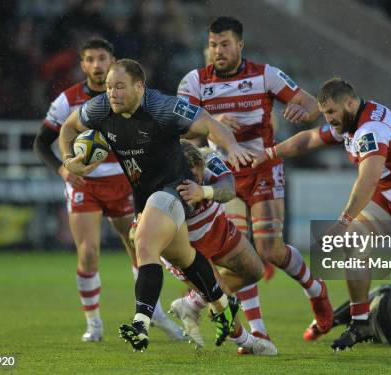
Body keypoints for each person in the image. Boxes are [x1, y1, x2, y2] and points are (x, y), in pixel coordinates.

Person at [58, 58, 253, 352]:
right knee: (186, 258)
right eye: (109, 86)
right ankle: (225, 309)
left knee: (144, 242)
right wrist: (70, 162)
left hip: (177, 189)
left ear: (139, 87)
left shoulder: (163, 107)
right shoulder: (101, 108)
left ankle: (141, 323)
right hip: (145, 196)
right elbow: (68, 128)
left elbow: (209, 124)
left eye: (120, 87)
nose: (112, 93)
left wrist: (233, 146)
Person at [253, 78, 391, 357]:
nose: (329, 119)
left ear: (350, 102)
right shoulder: (352, 119)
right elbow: (311, 138)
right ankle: (360, 322)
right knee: (354, 241)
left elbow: (368, 179)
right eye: (325, 114)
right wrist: (270, 153)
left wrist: (343, 220)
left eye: (332, 113)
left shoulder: (370, 129)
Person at [177, 16, 333, 340]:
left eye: (225, 44)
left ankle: (315, 289)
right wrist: (212, 121)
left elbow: (312, 104)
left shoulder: (266, 76)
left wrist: (303, 112)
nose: (218, 51)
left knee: (270, 250)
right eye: (213, 45)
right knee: (239, 254)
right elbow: (180, 126)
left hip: (262, 167)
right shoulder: (194, 81)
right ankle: (258, 332)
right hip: (223, 173)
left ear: (240, 45)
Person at [33, 37, 182, 342]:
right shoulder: (68, 100)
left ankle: (152, 313)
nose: (98, 65)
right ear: (83, 65)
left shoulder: (131, 97)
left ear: (113, 62)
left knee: (140, 248)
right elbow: (40, 141)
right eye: (90, 59)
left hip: (124, 180)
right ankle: (94, 325)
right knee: (88, 253)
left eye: (103, 58)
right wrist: (64, 168)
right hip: (85, 184)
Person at [154, 140, 277, 355]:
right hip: (187, 247)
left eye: (199, 174)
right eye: (191, 178)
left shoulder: (208, 157)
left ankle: (191, 304)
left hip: (217, 230)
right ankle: (248, 342)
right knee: (221, 299)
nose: (197, 179)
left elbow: (229, 188)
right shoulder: (159, 180)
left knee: (255, 270)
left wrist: (203, 190)